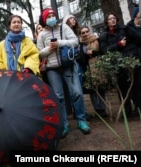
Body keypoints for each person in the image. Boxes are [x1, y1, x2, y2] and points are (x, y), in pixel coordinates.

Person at [37, 8, 90, 138]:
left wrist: (59, 43)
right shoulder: (41, 35)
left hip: (69, 66)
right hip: (52, 69)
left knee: (77, 93)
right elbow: (39, 53)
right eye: (48, 16)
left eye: (52, 15)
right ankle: (64, 124)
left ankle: (81, 121)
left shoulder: (64, 28)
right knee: (58, 97)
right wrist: (49, 48)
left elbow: (75, 41)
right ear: (44, 19)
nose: (51, 17)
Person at [99, 13, 139, 117]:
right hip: (117, 65)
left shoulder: (125, 28)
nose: (113, 20)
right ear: (107, 22)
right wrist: (118, 45)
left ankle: (138, 108)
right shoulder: (104, 35)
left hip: (130, 61)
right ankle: (128, 112)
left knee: (135, 86)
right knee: (123, 87)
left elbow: (137, 39)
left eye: (114, 18)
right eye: (110, 19)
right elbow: (104, 50)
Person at [79, 26, 107, 117]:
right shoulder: (80, 45)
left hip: (98, 67)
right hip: (87, 68)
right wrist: (86, 55)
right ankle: (97, 110)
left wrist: (93, 53)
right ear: (81, 34)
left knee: (101, 88)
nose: (85, 34)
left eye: (87, 31)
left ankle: (103, 109)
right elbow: (80, 57)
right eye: (83, 32)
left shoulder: (97, 40)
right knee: (92, 90)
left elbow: (102, 51)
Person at [126, 7, 141, 115]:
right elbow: (138, 38)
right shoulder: (129, 27)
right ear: (136, 14)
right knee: (136, 85)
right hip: (134, 60)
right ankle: (138, 106)